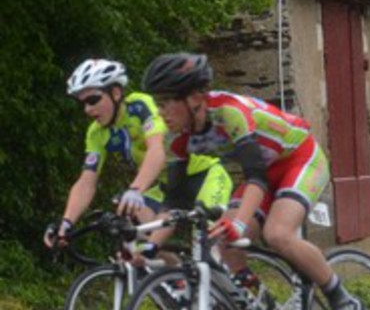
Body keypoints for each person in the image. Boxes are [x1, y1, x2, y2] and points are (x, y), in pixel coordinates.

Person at [141, 52, 364, 310]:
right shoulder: (179, 139)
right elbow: (174, 201)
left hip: (299, 159)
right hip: (264, 174)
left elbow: (255, 177)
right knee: (225, 246)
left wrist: (239, 223)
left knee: (277, 234)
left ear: (193, 98)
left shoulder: (229, 113)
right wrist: (149, 248)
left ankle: (342, 300)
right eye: (157, 103)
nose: (161, 112)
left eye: (166, 102)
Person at [44, 58, 231, 250]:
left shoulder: (139, 107)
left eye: (93, 100)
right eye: (82, 103)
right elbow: (87, 181)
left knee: (209, 243)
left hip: (203, 176)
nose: (88, 109)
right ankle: (168, 267)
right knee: (140, 249)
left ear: (116, 93)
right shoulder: (96, 133)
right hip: (167, 187)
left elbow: (156, 150)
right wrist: (66, 222)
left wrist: (135, 189)